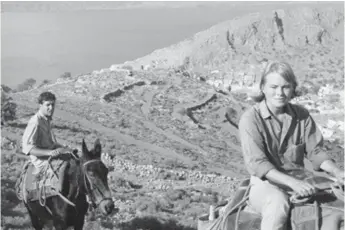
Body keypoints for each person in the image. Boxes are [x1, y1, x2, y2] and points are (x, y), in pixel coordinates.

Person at [238, 61, 344, 230]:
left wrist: (337, 171)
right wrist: (292, 183)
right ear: (263, 87)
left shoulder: (302, 115)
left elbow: (315, 152)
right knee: (278, 205)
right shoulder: (251, 119)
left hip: (301, 179)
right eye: (274, 87)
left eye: (285, 87)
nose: (280, 93)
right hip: (266, 184)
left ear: (293, 88)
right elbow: (258, 164)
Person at [22, 91, 72, 175]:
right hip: (41, 160)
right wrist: (50, 152)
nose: (51, 108)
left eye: (53, 105)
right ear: (40, 105)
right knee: (64, 170)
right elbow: (28, 148)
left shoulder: (47, 119)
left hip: (50, 155)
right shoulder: (35, 122)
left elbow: (49, 143)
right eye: (48, 105)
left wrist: (64, 148)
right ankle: (59, 189)